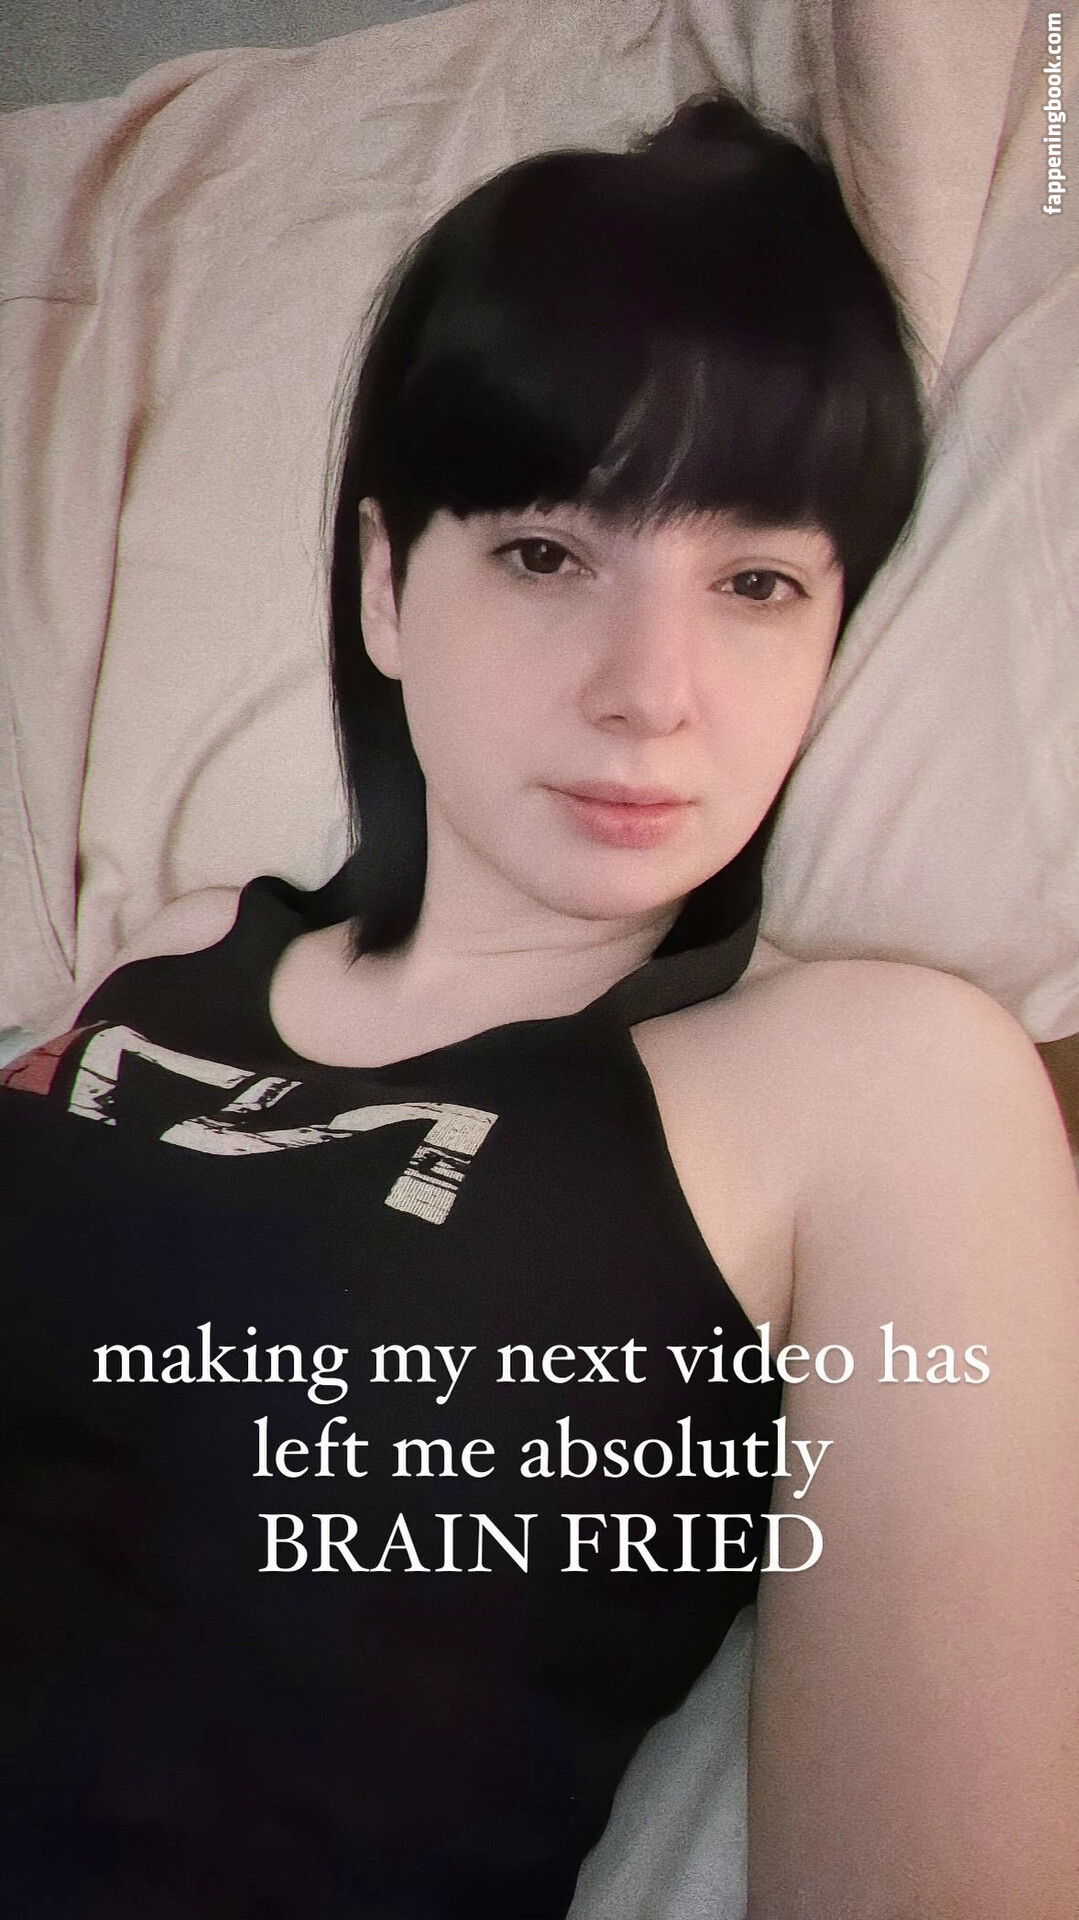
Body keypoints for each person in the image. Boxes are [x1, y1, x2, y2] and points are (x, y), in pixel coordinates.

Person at [1, 92, 1076, 1920]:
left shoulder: (879, 1089)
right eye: (546, 554)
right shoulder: (164, 954)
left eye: (754, 582)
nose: (650, 690)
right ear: (383, 589)